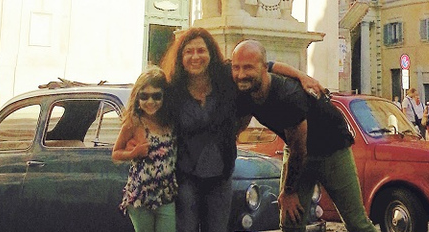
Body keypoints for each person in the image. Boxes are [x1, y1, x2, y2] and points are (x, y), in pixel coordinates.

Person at [161, 28, 323, 232]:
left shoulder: (226, 78)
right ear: (180, 56)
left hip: (220, 176)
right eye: (189, 51)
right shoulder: (172, 89)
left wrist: (301, 76)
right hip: (184, 177)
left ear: (211, 54)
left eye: (201, 50)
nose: (195, 57)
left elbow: (268, 66)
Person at [231, 40, 377, 232]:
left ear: (263, 69)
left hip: (331, 149)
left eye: (248, 68)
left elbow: (300, 151)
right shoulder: (243, 82)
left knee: (357, 223)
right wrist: (301, 74)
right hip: (295, 147)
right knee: (291, 224)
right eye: (236, 67)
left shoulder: (287, 95)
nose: (241, 74)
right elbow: (273, 65)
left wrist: (289, 191)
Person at [113, 67, 177, 232]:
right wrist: (133, 154)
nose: (150, 102)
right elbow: (116, 153)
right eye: (144, 96)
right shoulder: (134, 123)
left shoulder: (170, 121)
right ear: (137, 98)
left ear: (164, 97)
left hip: (166, 195)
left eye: (156, 96)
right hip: (141, 195)